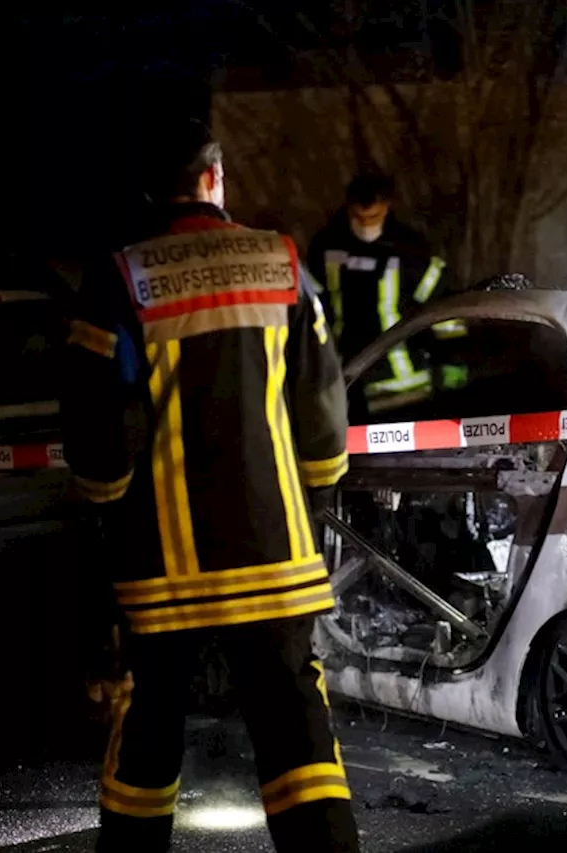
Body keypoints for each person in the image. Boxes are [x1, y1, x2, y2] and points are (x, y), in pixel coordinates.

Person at [60, 118, 360, 853]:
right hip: (276, 559)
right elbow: (322, 417)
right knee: (297, 734)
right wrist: (313, 501)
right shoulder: (283, 263)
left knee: (150, 735)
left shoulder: (119, 278)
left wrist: (108, 516)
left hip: (163, 570)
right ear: (214, 179)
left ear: (149, 191)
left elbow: (93, 430)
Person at [305, 173, 466, 418]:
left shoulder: (409, 251)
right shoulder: (326, 247)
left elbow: (444, 308)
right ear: (348, 208)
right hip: (348, 383)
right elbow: (311, 307)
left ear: (387, 207)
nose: (366, 224)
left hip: (404, 390)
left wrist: (453, 359)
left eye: (374, 217)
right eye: (359, 217)